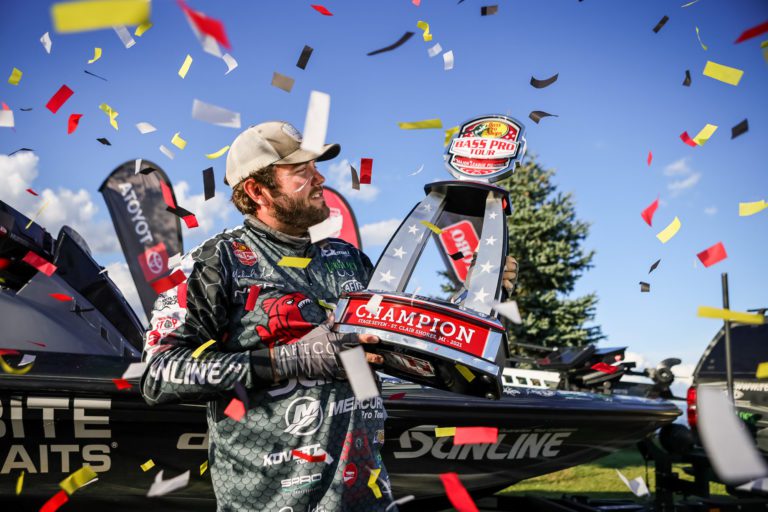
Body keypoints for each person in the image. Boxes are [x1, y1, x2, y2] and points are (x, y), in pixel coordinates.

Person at [141, 121, 518, 512]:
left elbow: (400, 350)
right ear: (257, 191)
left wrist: (480, 298)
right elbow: (158, 375)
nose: (320, 178)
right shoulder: (213, 262)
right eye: (302, 171)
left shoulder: (349, 260)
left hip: (365, 498)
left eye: (316, 167)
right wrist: (288, 359)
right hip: (266, 502)